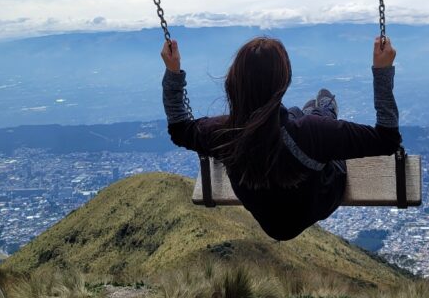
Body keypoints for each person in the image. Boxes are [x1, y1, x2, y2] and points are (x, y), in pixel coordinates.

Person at [161, 35, 401, 241]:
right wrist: (382, 71)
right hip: (318, 199)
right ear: (283, 82)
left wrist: (173, 71)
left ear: (234, 80)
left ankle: (317, 110)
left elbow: (180, 128)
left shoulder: (222, 133)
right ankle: (324, 109)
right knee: (308, 119)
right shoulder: (312, 132)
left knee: (298, 118)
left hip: (267, 217)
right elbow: (386, 139)